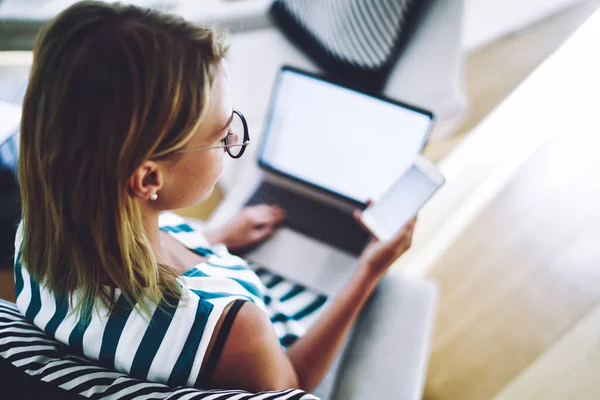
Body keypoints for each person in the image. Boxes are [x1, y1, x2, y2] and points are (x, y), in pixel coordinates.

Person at [14, 1, 416, 394]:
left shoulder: (33, 240)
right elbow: (293, 382)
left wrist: (216, 239)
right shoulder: (226, 324)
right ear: (148, 178)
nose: (235, 140)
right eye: (222, 134)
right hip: (286, 339)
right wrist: (369, 270)